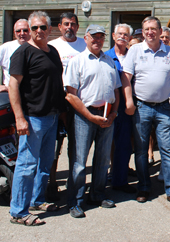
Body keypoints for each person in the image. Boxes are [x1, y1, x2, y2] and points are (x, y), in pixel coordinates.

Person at [9, 11, 65, 226]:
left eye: (42, 27)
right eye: (34, 28)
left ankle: (36, 200)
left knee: (44, 163)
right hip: (33, 118)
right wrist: (20, 118)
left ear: (50, 29)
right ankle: (18, 212)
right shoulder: (23, 52)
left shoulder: (52, 51)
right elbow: (14, 85)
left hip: (51, 117)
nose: (38, 31)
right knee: (27, 164)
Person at [121, 16, 170, 208]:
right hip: (141, 107)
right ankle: (144, 187)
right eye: (146, 29)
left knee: (167, 149)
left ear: (159, 31)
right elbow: (126, 77)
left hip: (164, 107)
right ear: (143, 31)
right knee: (141, 150)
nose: (150, 32)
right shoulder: (135, 50)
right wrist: (129, 101)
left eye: (153, 29)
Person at [64, 24, 121, 218]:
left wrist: (113, 114)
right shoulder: (77, 61)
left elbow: (116, 91)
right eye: (93, 37)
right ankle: (76, 201)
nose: (97, 40)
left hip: (106, 115)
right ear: (86, 38)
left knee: (103, 159)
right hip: (84, 116)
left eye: (101, 37)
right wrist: (89, 116)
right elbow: (71, 95)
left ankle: (97, 194)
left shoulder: (109, 61)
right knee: (79, 161)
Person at [47, 12, 86, 200]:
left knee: (77, 145)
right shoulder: (52, 46)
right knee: (55, 145)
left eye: (73, 24)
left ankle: (75, 183)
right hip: (57, 101)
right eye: (66, 24)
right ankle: (52, 182)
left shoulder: (84, 46)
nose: (69, 27)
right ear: (59, 27)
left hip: (78, 101)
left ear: (77, 27)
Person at [105, 23, 136, 194]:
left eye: (126, 35)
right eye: (120, 34)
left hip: (129, 106)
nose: (122, 37)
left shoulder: (133, 56)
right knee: (105, 144)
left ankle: (120, 180)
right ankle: (101, 181)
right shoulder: (106, 56)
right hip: (109, 106)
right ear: (113, 35)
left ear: (130, 38)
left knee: (124, 145)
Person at [0, 19, 31, 92]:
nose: (22, 33)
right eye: (18, 31)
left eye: (25, 30)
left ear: (30, 31)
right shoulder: (7, 47)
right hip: (11, 94)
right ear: (14, 33)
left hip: (32, 95)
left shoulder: (37, 48)